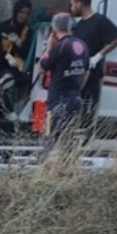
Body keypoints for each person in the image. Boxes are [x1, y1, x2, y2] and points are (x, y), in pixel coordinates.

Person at [69, 0, 117, 125]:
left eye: (73, 3)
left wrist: (98, 56)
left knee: (87, 112)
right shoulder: (80, 24)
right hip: (78, 74)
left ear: (80, 3)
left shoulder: (99, 21)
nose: (72, 7)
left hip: (91, 75)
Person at [38, 11, 91, 152]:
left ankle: (48, 165)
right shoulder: (83, 45)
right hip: (74, 99)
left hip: (56, 100)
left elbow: (42, 68)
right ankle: (66, 166)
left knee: (50, 136)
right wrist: (77, 89)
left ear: (54, 30)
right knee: (68, 137)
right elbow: (86, 71)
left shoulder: (58, 48)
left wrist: (49, 46)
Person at [0, 0, 34, 72]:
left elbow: (26, 53)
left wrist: (18, 43)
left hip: (14, 68)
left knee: (8, 78)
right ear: (16, 12)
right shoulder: (3, 26)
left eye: (27, 13)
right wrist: (6, 56)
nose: (24, 16)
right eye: (21, 12)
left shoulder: (28, 31)